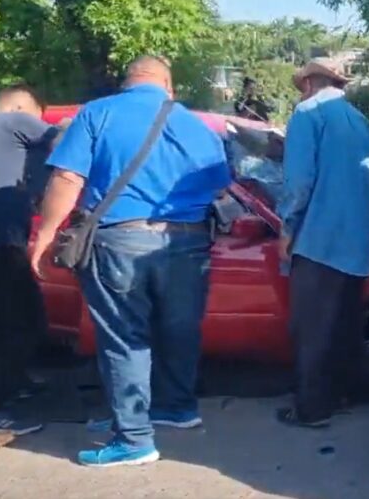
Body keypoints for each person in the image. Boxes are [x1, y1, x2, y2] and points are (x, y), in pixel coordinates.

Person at [30, 56, 231, 467]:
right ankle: (177, 408)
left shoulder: (98, 113)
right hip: (188, 241)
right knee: (179, 329)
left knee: (124, 338)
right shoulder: (197, 125)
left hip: (120, 239)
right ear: (168, 87)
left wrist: (47, 233)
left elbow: (68, 178)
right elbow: (220, 189)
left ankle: (135, 438)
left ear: (128, 82)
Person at [277, 57, 369, 427]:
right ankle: (343, 395)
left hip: (318, 238)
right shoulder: (360, 121)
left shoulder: (307, 114)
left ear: (307, 83)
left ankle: (312, 409)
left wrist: (287, 229)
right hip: (357, 240)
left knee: (312, 329)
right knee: (343, 325)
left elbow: (299, 182)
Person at [0, 85, 59, 436]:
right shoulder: (12, 120)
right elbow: (63, 140)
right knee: (24, 324)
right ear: (19, 107)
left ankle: (14, 382)